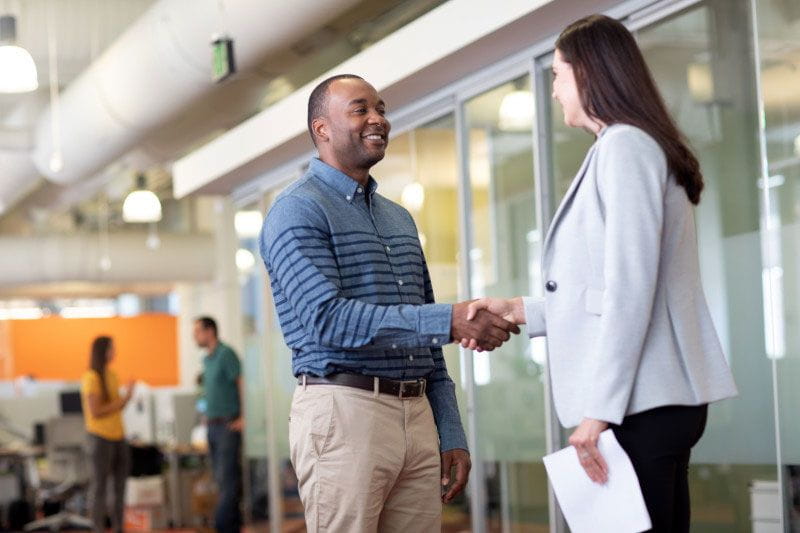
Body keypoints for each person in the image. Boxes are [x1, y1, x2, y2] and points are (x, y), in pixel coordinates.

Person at [462, 14, 738, 532]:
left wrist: (599, 412)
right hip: (654, 401)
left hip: (641, 404)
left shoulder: (625, 147)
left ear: (587, 74)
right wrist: (519, 310)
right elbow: (605, 290)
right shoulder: (626, 145)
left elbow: (631, 288)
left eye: (557, 76)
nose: (554, 92)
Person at [259, 74, 520, 532]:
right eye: (360, 109)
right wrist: (452, 319)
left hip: (416, 413)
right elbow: (328, 320)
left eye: (380, 108)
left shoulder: (398, 219)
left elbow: (427, 341)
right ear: (321, 129)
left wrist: (449, 429)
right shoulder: (297, 210)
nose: (378, 118)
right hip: (344, 411)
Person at [193, 316, 243, 533]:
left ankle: (222, 528)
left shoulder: (226, 354)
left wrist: (245, 417)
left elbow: (241, 383)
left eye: (197, 332)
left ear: (210, 331)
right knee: (221, 480)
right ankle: (233, 526)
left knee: (227, 479)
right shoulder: (207, 359)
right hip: (212, 426)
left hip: (227, 425)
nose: (194, 336)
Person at [80, 336, 134, 533]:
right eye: (112, 349)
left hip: (118, 437)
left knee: (119, 489)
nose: (114, 353)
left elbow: (117, 407)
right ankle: (97, 528)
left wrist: (127, 397)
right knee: (100, 488)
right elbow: (96, 411)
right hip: (99, 438)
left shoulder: (112, 375)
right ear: (102, 351)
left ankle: (119, 528)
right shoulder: (91, 377)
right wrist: (122, 400)